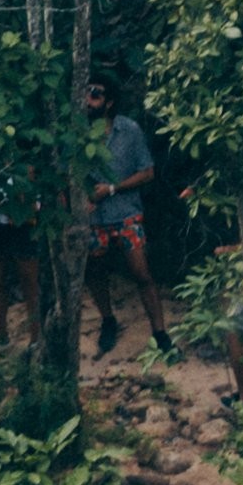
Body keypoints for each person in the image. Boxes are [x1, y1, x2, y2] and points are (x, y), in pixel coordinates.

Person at [83, 72, 165, 356]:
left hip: (126, 213)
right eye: (87, 92)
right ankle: (107, 321)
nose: (89, 99)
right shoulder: (78, 135)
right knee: (94, 272)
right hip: (93, 219)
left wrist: (113, 188)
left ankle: (160, 333)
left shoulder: (128, 130)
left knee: (142, 273)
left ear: (109, 102)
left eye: (96, 94)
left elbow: (148, 172)